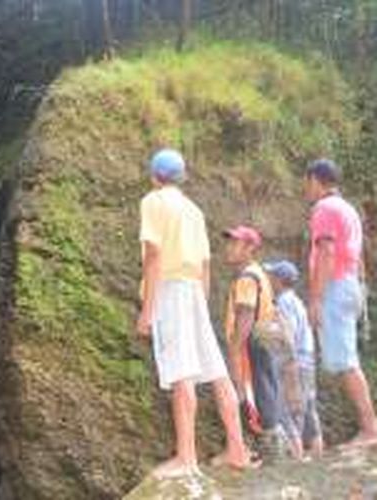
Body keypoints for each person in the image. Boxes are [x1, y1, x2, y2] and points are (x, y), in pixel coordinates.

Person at [137, 149, 252, 478]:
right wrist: (200, 303)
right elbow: (205, 264)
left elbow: (154, 255)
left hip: (170, 289)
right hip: (194, 291)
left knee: (180, 371)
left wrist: (148, 308)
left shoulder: (153, 202)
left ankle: (186, 457)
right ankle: (237, 450)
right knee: (215, 370)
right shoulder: (194, 210)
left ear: (155, 176)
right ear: (182, 177)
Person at [305, 158, 377, 448]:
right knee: (346, 359)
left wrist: (316, 299)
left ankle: (370, 428)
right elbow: (357, 255)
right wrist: (359, 288)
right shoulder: (348, 209)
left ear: (315, 180)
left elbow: (326, 253)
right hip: (350, 284)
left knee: (346, 362)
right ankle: (370, 425)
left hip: (335, 286)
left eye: (306, 182)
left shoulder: (324, 209)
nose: (305, 188)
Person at [223, 225, 288, 460]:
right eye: (229, 242)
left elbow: (246, 313)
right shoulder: (258, 273)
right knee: (265, 391)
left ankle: (267, 451)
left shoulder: (247, 278)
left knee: (252, 397)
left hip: (250, 346)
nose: (228, 248)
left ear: (250, 248)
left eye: (235, 243)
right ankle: (269, 450)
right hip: (261, 343)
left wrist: (234, 349)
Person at [264, 260, 323, 459]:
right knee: (308, 408)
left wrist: (289, 364)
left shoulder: (283, 303)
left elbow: (288, 336)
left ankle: (296, 457)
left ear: (280, 280)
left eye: (271, 276)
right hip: (307, 359)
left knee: (287, 409)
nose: (269, 280)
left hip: (293, 359)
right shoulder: (297, 301)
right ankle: (317, 452)